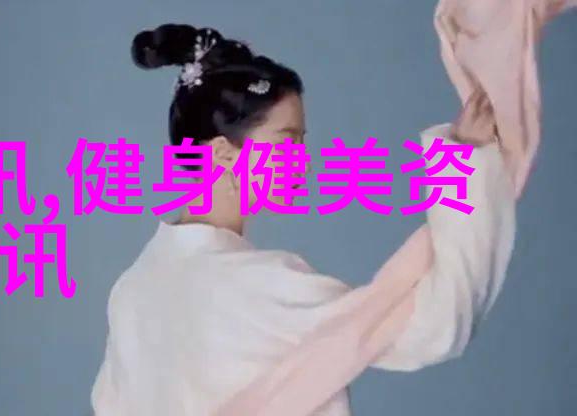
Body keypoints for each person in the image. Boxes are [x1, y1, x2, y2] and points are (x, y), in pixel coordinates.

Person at [89, 23, 518, 416]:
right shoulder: (258, 283)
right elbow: (433, 329)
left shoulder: (132, 289)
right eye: (286, 143)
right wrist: (461, 162)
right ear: (221, 153)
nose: (302, 162)